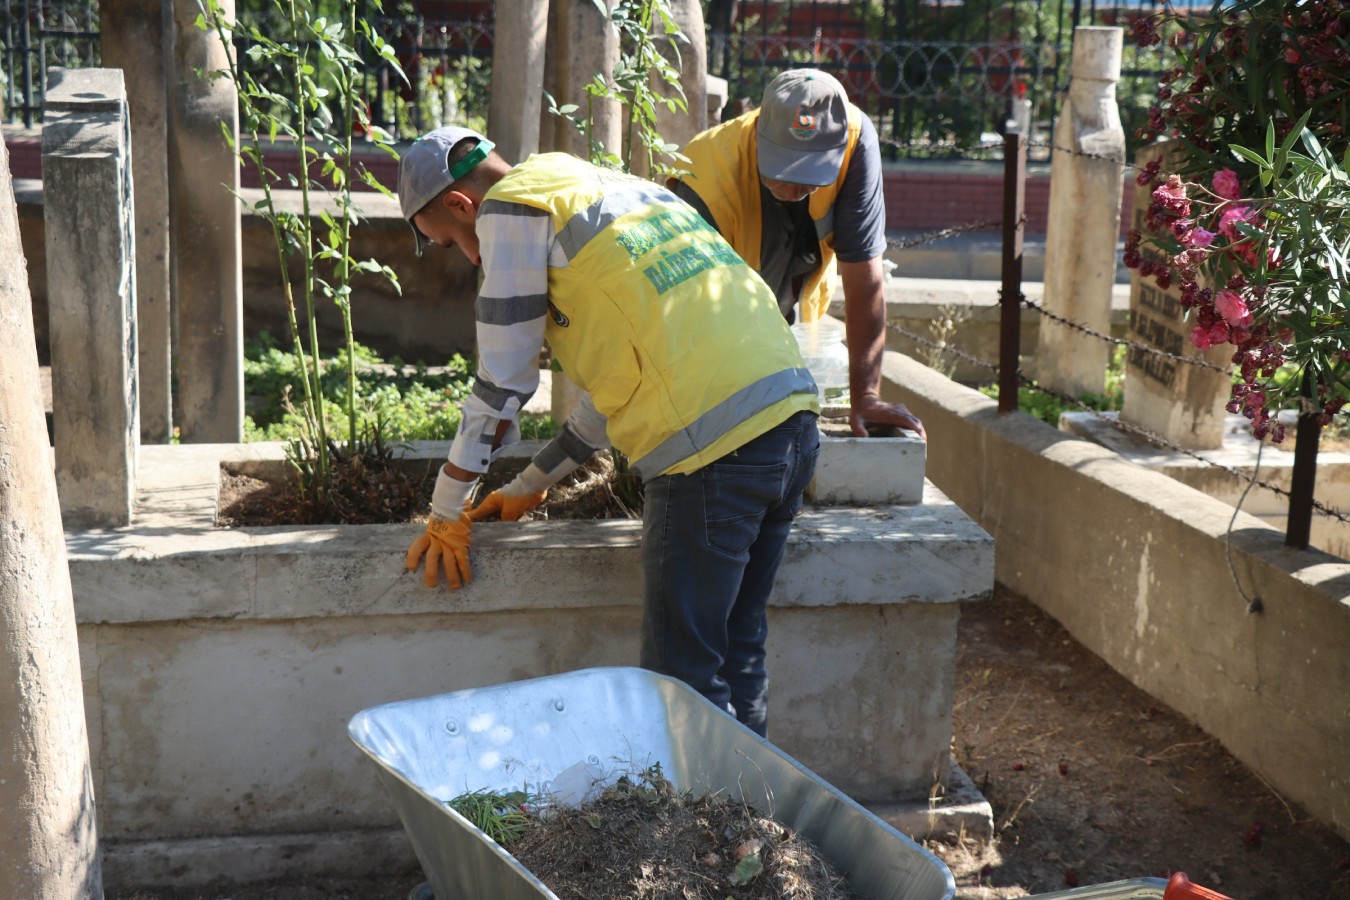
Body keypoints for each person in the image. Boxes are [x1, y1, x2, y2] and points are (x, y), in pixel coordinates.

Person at [397, 125, 820, 738]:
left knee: (683, 680)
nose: (471, 255)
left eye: (454, 239)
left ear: (464, 205)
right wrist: (533, 481)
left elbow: (502, 382)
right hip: (791, 422)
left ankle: (710, 832)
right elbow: (628, 377)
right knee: (736, 651)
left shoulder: (511, 208)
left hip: (713, 459)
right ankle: (753, 825)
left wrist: (445, 507)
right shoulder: (608, 187)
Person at [670, 68, 927, 441]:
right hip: (715, 313)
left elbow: (863, 279)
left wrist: (866, 397)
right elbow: (691, 313)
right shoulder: (704, 175)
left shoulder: (855, 141)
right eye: (782, 170)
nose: (792, 188)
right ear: (758, 134)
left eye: (809, 175)